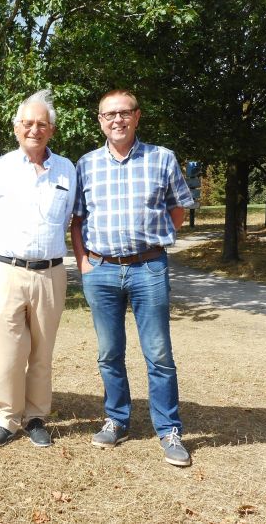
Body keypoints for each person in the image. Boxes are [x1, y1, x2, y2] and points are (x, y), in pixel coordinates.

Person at [71, 89, 194, 467]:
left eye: (124, 113)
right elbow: (78, 220)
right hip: (101, 269)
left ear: (137, 116)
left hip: (148, 268)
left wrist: (155, 240)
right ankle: (117, 419)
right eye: (109, 115)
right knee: (109, 352)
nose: (117, 120)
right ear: (100, 121)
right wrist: (83, 263)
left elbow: (178, 208)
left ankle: (168, 429)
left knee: (158, 354)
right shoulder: (86, 164)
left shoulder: (162, 158)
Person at [0, 90, 76, 447]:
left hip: (50, 274)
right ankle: (7, 418)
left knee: (42, 352)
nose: (34, 129)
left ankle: (36, 417)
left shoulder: (67, 169)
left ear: (52, 130)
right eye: (28, 123)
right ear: (16, 127)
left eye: (42, 124)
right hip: (6, 271)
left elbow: (66, 219)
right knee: (7, 352)